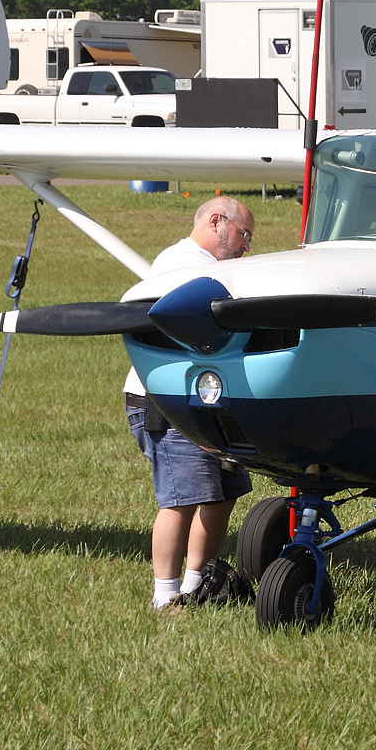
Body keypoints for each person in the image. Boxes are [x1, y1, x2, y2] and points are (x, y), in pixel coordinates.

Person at [124, 196, 256, 610]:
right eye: (243, 234)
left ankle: (197, 584)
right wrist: (195, 425)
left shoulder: (215, 268)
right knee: (181, 500)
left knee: (223, 493)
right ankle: (164, 596)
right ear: (217, 222)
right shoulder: (182, 264)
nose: (246, 246)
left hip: (212, 398)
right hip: (170, 400)